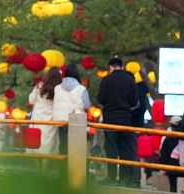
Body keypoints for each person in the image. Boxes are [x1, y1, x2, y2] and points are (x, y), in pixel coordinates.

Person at [96, 57, 139, 187]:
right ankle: (124, 178)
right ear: (123, 66)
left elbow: (101, 99)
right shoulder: (130, 81)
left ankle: (112, 177)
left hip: (110, 119)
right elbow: (134, 101)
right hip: (126, 119)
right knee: (125, 148)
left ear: (110, 67)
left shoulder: (107, 80)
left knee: (111, 148)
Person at [54, 64, 90, 154]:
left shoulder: (57, 88)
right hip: (76, 122)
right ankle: (75, 167)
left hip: (61, 121)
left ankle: (63, 167)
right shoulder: (81, 89)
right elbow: (87, 106)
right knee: (76, 149)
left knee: (63, 146)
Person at [28, 67, 62, 158]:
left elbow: (31, 100)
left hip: (38, 119)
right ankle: (45, 168)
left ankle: (39, 170)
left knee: (36, 144)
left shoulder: (39, 86)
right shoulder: (60, 89)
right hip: (51, 121)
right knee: (48, 145)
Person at [158, 117, 184, 193]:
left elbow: (163, 156)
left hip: (171, 169)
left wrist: (163, 167)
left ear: (172, 127)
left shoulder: (168, 139)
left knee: (173, 189)